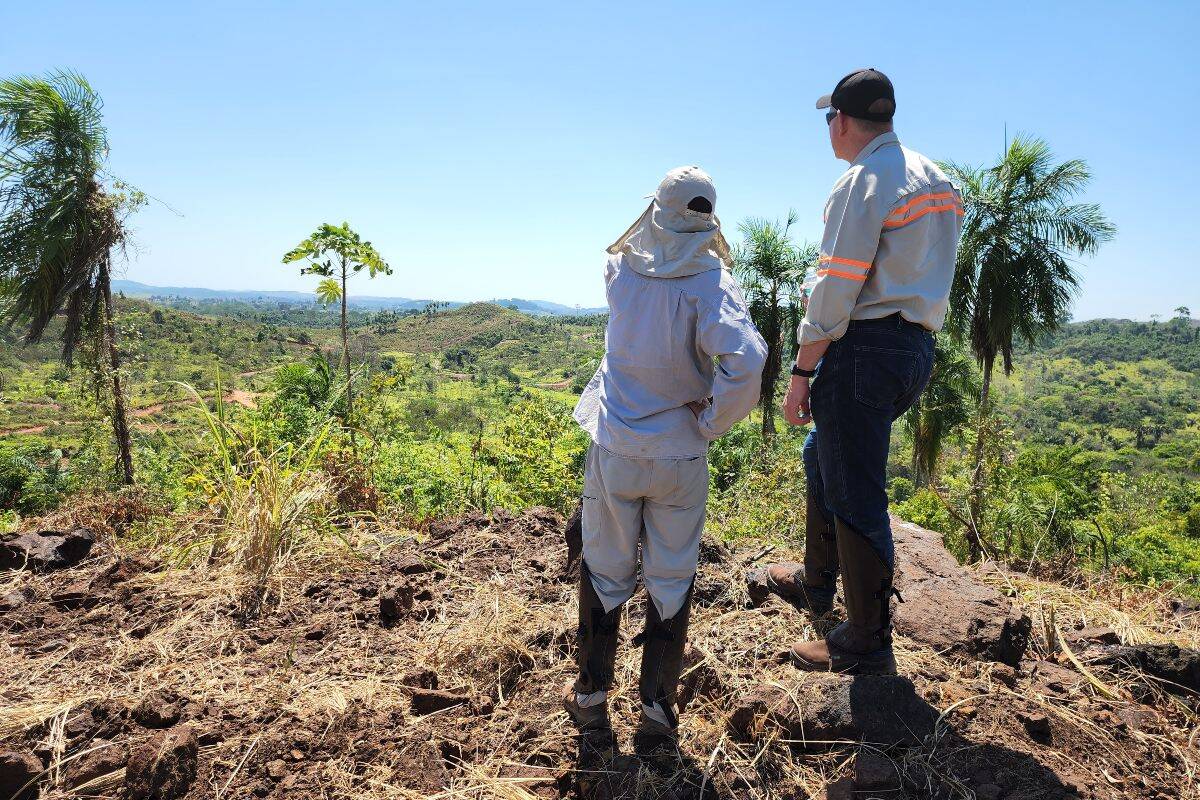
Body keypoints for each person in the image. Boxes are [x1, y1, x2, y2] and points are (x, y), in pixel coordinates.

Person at [565, 166, 767, 747]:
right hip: (680, 455)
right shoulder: (712, 283)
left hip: (617, 445)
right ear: (707, 217)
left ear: (655, 210)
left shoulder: (619, 271)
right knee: (673, 575)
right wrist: (709, 420)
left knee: (604, 568)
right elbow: (746, 362)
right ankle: (656, 713)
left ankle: (591, 700)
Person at [770, 69, 962, 674]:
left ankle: (867, 637)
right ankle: (817, 581)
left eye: (830, 118)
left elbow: (836, 285)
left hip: (864, 348)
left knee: (854, 483)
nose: (829, 128)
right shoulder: (937, 179)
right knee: (821, 454)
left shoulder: (863, 181)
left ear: (844, 122)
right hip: (913, 349)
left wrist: (802, 369)